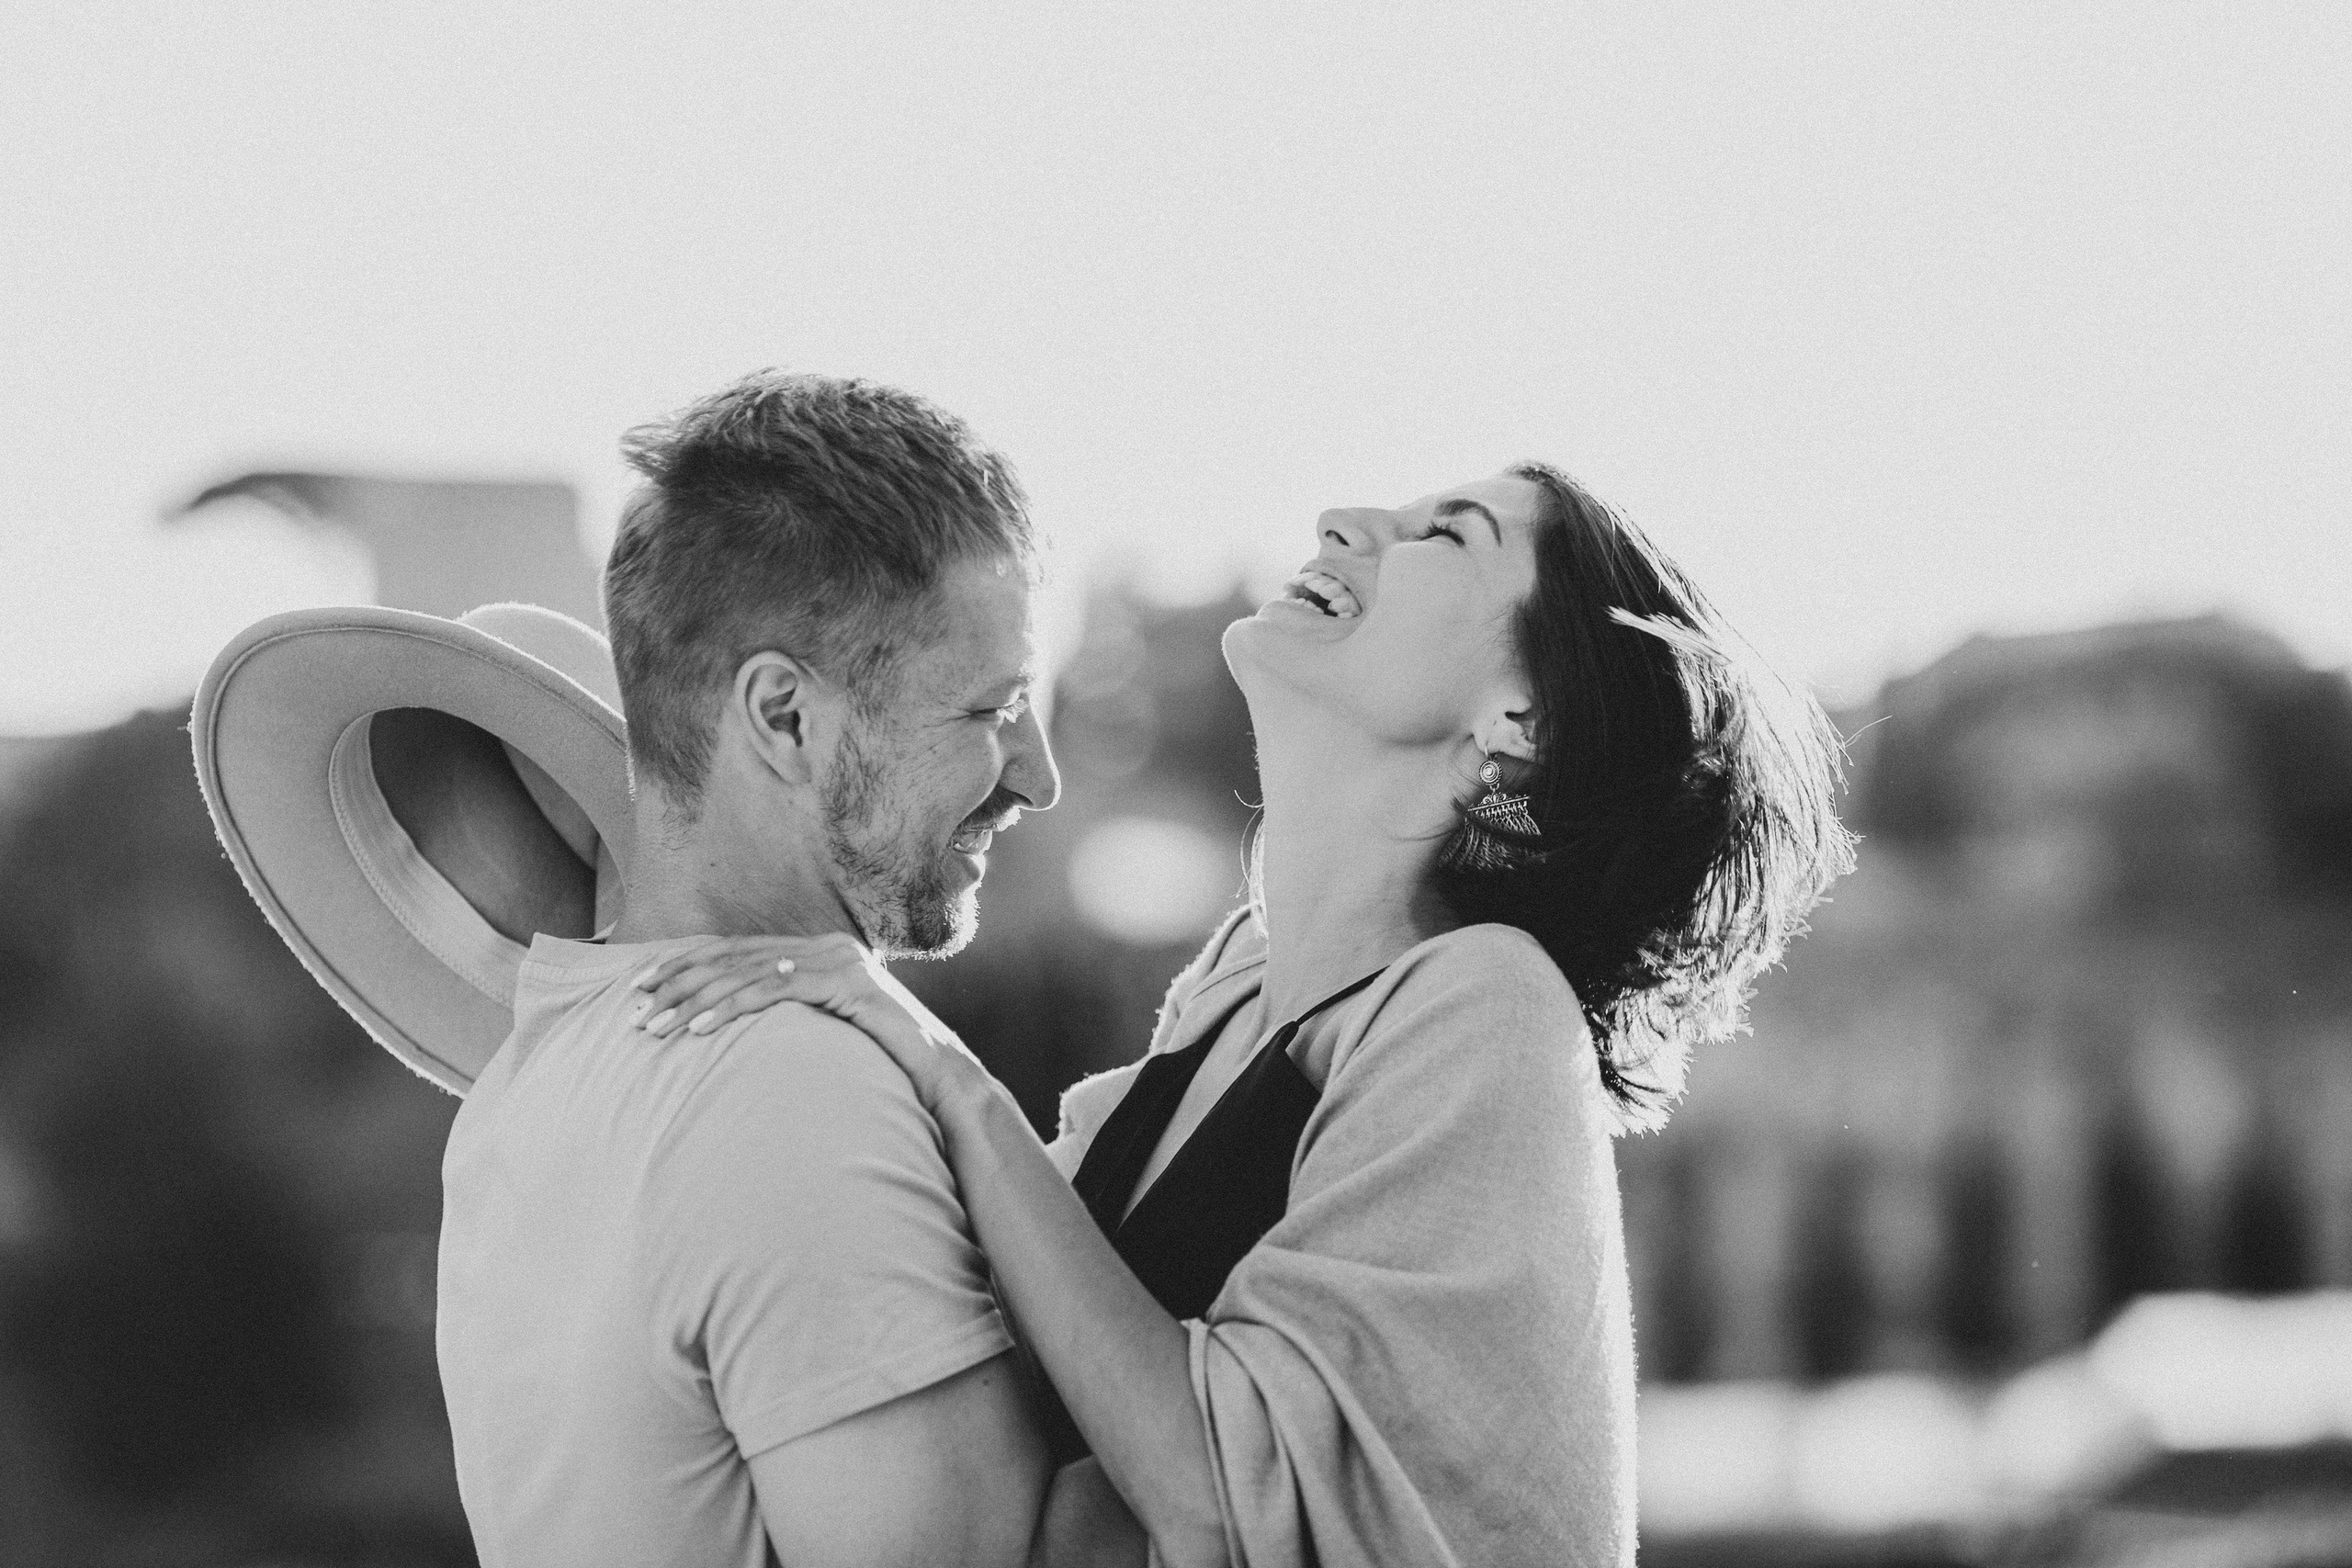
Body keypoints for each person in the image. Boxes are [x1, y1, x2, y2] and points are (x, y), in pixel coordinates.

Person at [637, 465, 1855, 1566]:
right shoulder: (1231, 994)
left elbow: (1223, 1502)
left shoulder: (1487, 1006)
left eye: (1448, 533)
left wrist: (929, 1062)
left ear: (1518, 728)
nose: (1349, 521)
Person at [427, 372, 1144, 1566]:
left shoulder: (530, 1074)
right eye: (992, 709)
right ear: (786, 718)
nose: (1037, 777)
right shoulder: (791, 1089)